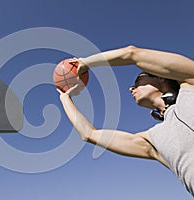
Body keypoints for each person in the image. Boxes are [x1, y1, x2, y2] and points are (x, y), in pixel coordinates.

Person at [57, 45, 194, 196]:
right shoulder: (151, 141)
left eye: (137, 81)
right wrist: (65, 98)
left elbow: (132, 54)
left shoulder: (190, 85)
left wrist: (85, 63)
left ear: (160, 76)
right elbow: (89, 134)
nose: (131, 88)